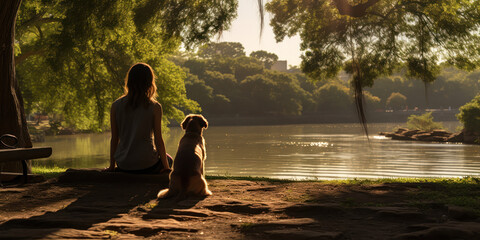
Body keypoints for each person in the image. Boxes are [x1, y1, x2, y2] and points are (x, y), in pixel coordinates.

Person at [104, 63, 172, 174]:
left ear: (129, 81)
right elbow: (158, 140)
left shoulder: (115, 106)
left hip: (123, 164)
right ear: (150, 82)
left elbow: (114, 139)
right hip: (147, 164)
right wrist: (166, 167)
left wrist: (112, 166)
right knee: (169, 159)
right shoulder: (155, 107)